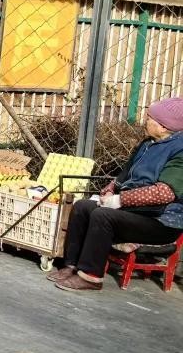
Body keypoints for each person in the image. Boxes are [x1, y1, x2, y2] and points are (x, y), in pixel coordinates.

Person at [49, 97, 183, 292]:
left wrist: (119, 200)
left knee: (103, 215)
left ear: (163, 126)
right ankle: (71, 265)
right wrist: (111, 190)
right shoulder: (148, 144)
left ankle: (91, 277)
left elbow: (165, 193)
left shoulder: (179, 151)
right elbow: (125, 174)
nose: (145, 120)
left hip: (161, 222)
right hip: (137, 212)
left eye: (149, 118)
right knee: (83, 207)